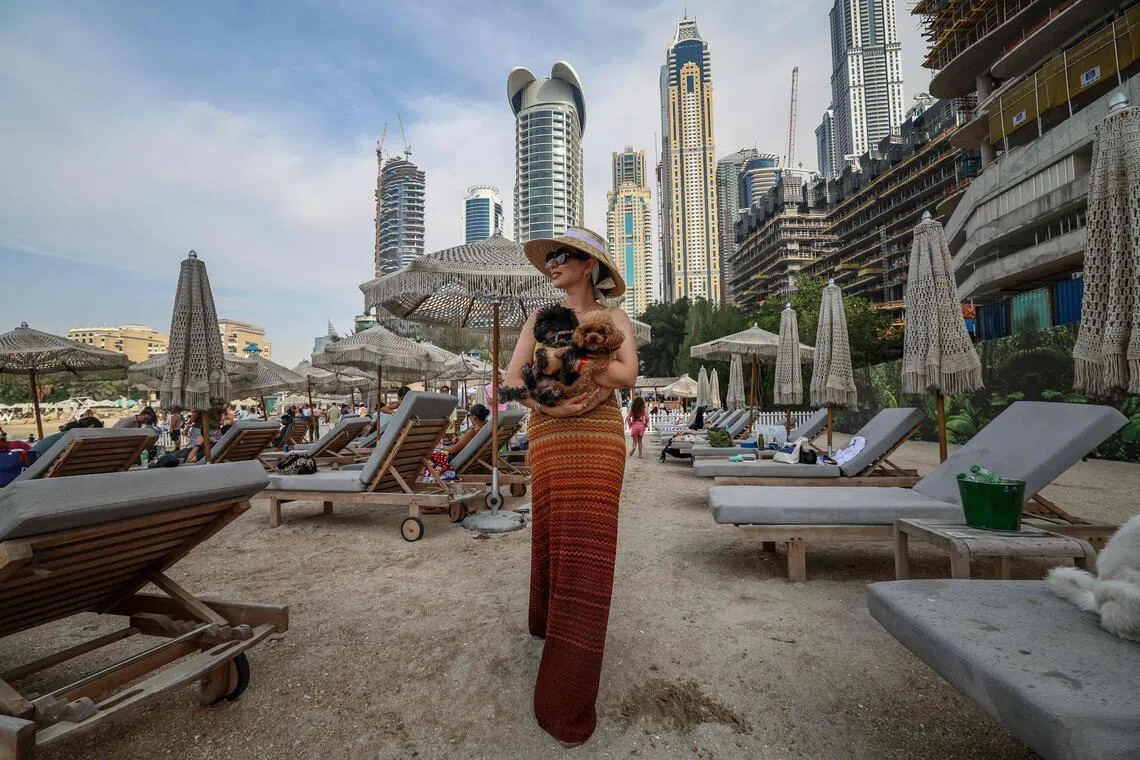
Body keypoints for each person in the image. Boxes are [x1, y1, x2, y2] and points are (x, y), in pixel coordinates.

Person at [504, 226, 638, 747]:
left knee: (589, 557)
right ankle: (547, 623)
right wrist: (548, 402)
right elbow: (514, 378)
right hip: (550, 437)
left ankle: (566, 699)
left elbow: (628, 376)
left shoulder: (615, 318)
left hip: (600, 440)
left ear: (589, 266)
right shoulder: (539, 319)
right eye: (550, 258)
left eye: (562, 257)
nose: (552, 264)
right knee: (554, 539)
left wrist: (578, 362)